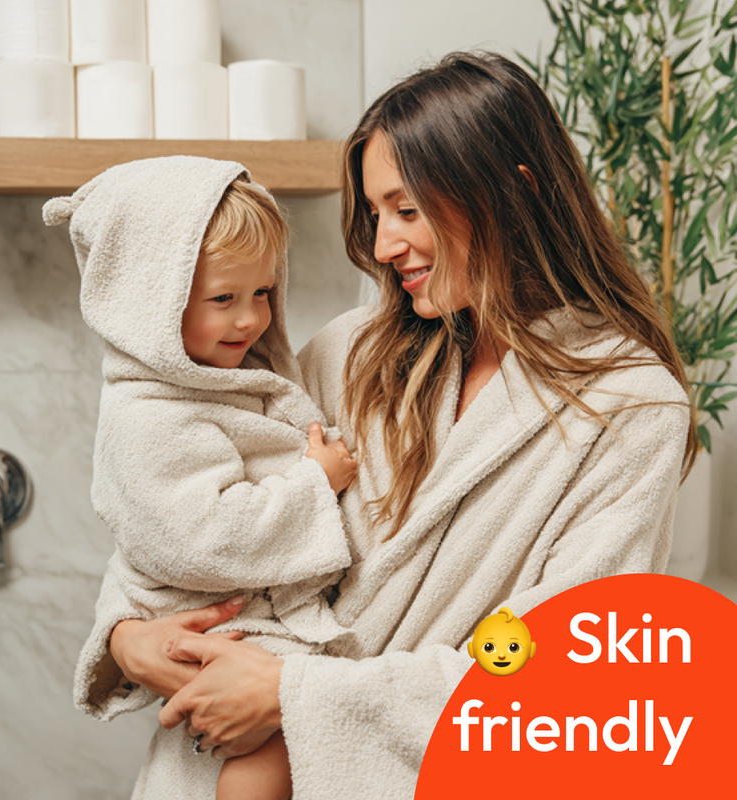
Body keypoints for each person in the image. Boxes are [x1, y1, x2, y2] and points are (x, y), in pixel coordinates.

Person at [85, 52, 696, 799]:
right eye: (376, 215)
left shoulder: (628, 407)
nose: (382, 246)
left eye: (406, 210)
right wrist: (128, 636)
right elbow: (189, 522)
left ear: (513, 192)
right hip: (208, 771)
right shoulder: (354, 350)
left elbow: (554, 670)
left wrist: (292, 695)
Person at [42, 155, 358, 800]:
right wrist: (313, 484)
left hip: (244, 620)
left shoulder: (232, 387)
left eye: (263, 293)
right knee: (269, 756)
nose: (250, 320)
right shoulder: (149, 417)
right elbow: (201, 540)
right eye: (223, 299)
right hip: (219, 626)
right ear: (150, 306)